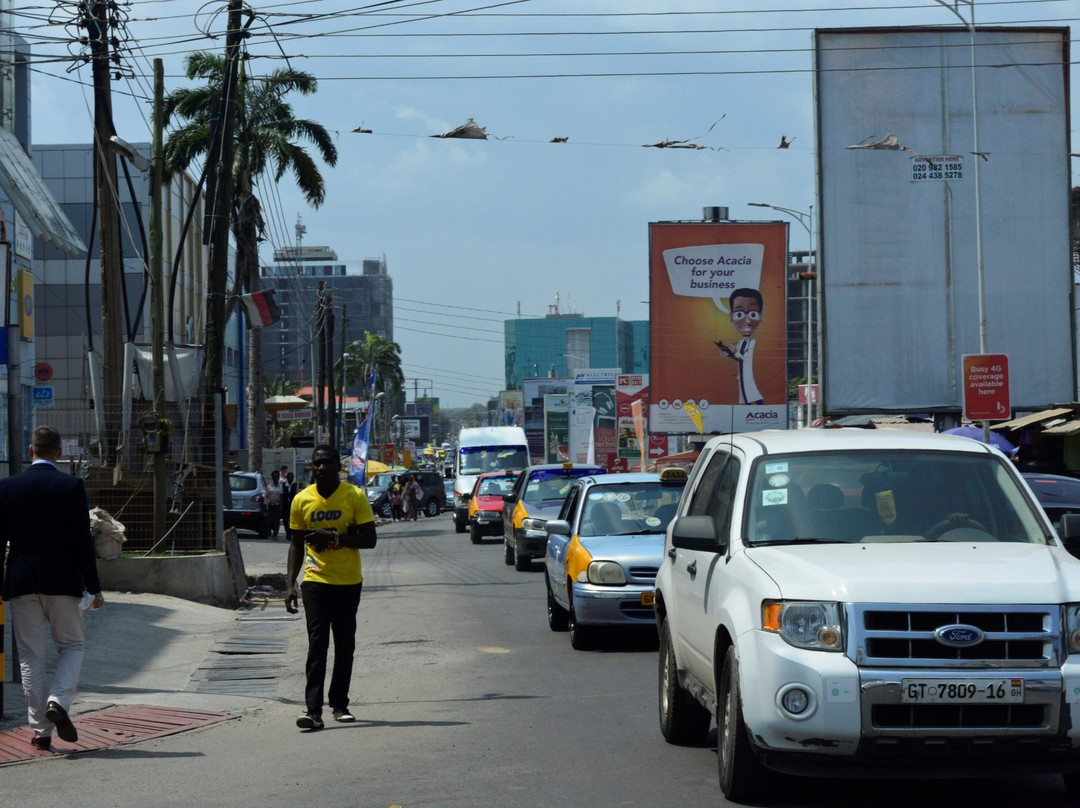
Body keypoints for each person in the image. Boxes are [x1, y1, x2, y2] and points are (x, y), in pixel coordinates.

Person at [0, 425, 104, 751]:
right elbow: (82, 542)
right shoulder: (71, 486)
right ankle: (58, 700)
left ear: (31, 451)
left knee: (30, 656)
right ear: (59, 453)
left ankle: (41, 732)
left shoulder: (7, 487)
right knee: (72, 646)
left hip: (21, 581)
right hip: (63, 581)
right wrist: (94, 586)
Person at [284, 445, 377, 731]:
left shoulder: (354, 496)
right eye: (317, 464)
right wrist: (289, 584)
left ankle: (339, 705)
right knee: (318, 644)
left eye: (327, 463)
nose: (321, 468)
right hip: (315, 582)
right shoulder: (301, 500)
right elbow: (296, 543)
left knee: (345, 644)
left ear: (339, 465)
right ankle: (313, 711)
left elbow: (369, 539)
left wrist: (335, 538)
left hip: (348, 582)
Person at [714, 287, 765, 405]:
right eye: (739, 314)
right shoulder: (741, 341)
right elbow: (739, 357)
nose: (746, 321)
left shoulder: (755, 343)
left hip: (752, 378)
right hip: (743, 378)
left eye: (753, 314)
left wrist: (732, 352)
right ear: (731, 316)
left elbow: (744, 357)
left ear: (760, 316)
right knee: (748, 396)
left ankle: (760, 415)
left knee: (753, 396)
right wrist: (728, 351)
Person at [264, 469, 283, 540]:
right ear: (272, 478)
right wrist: (265, 505)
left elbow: (281, 496)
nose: (276, 478)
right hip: (271, 505)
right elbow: (266, 496)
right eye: (274, 477)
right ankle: (270, 531)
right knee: (270, 520)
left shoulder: (280, 486)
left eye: (277, 477)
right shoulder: (269, 486)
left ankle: (275, 534)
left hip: (277, 505)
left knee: (276, 520)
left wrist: (281, 506)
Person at [282, 471, 298, 541]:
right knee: (285, 520)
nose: (290, 479)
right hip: (285, 505)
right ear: (287, 478)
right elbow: (281, 495)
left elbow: (297, 494)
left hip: (292, 504)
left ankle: (291, 533)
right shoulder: (283, 485)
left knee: (292, 519)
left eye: (292, 477)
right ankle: (287, 533)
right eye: (289, 477)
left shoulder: (295, 485)